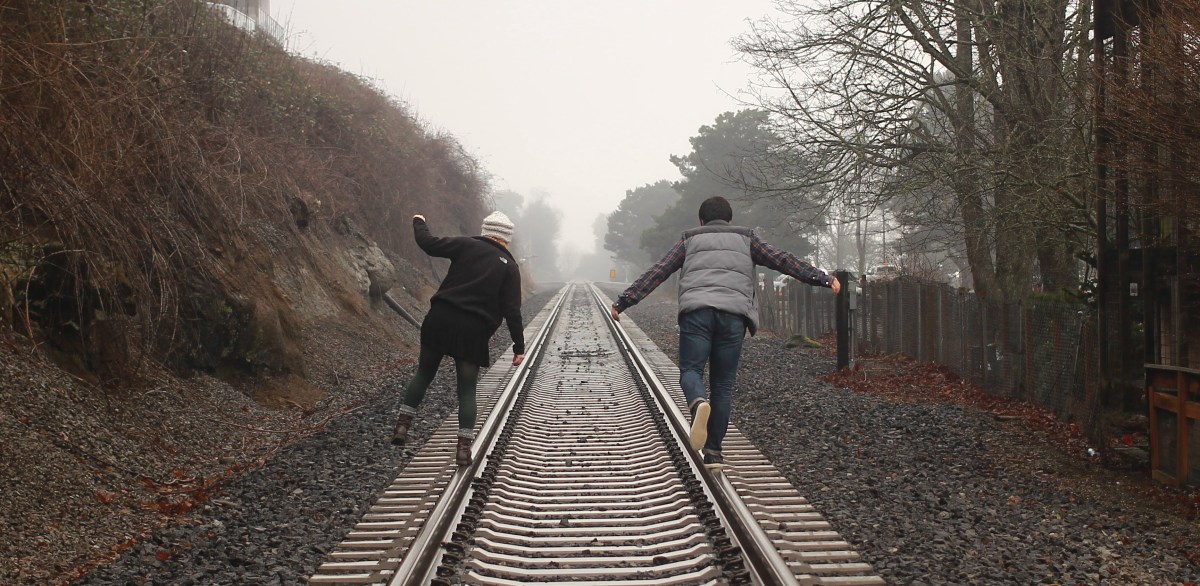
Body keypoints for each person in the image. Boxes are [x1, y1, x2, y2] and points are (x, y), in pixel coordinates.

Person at [610, 196, 840, 469]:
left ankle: (697, 404)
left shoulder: (689, 240)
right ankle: (714, 453)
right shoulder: (747, 239)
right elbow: (783, 260)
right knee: (722, 384)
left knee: (691, 370)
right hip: (733, 316)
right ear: (730, 220)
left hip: (697, 314)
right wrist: (823, 278)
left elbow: (658, 271)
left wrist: (623, 302)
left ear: (701, 220)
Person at [392, 211, 526, 466]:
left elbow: (429, 244)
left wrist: (419, 221)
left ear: (486, 230)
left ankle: (402, 427)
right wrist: (518, 347)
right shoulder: (509, 267)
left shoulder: (466, 245)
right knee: (466, 390)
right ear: (506, 238)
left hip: (440, 318)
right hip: (473, 331)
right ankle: (463, 449)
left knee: (424, 374)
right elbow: (512, 311)